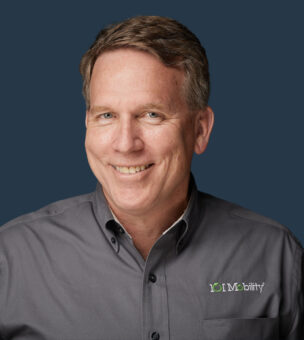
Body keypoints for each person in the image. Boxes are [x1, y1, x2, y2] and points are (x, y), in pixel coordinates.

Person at [0, 15, 302, 340]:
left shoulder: (276, 255)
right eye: (106, 116)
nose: (126, 143)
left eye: (151, 115)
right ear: (87, 123)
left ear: (200, 130)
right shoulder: (11, 258)